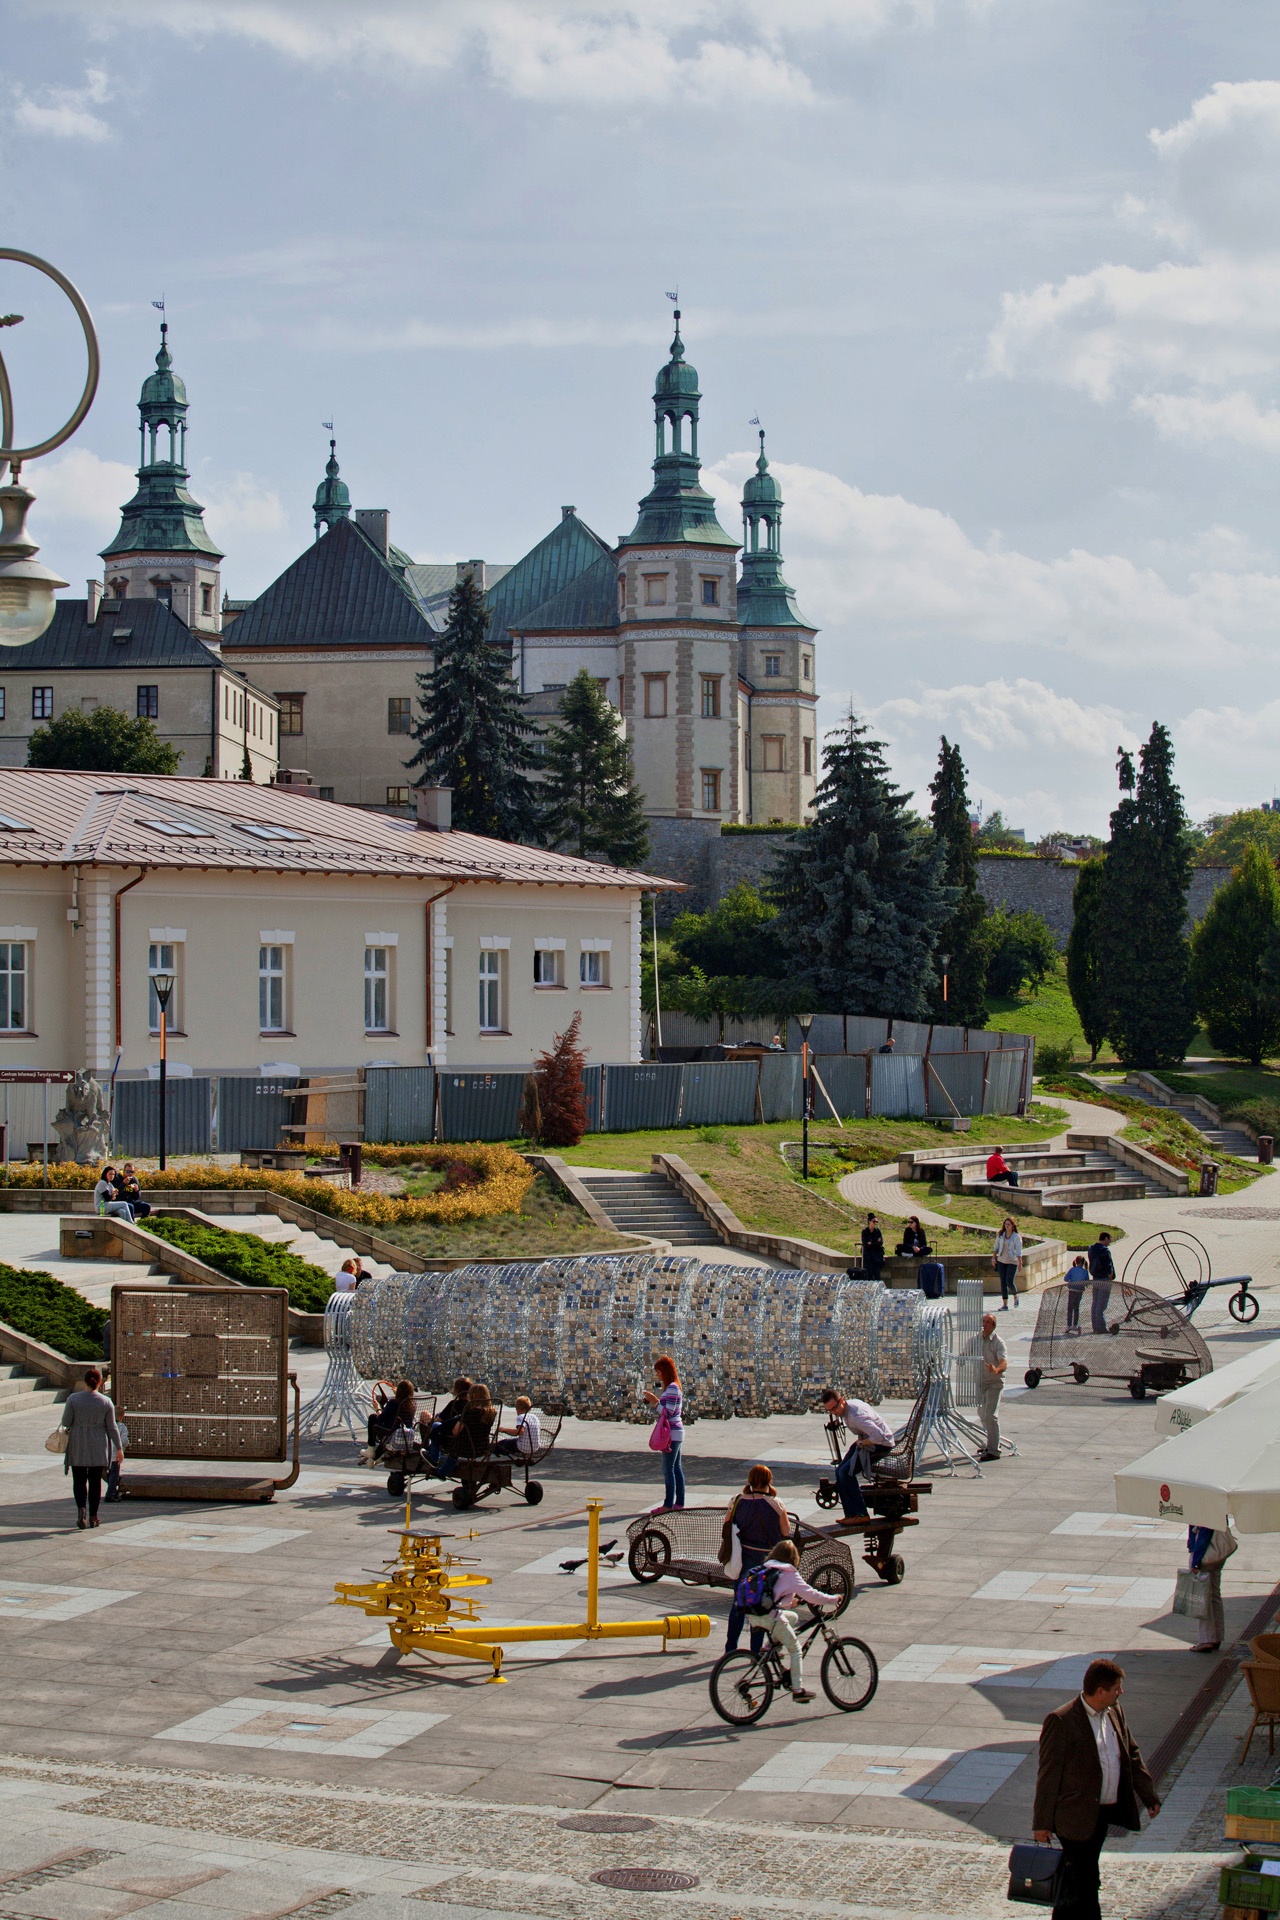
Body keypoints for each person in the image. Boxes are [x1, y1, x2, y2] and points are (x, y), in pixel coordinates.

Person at [1033, 1658, 1159, 1920]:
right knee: (1085, 1881)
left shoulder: (1115, 1711)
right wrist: (1042, 1823)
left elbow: (1130, 1754)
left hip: (1100, 1814)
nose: (1120, 1692)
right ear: (1100, 1691)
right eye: (1116, 1688)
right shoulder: (1062, 1721)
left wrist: (1148, 1796)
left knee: (1080, 1880)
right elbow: (1048, 1775)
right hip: (1074, 1817)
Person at [740, 1538, 840, 1703]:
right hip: (769, 1617)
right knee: (795, 1649)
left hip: (753, 1615)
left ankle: (769, 1648)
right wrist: (832, 1599)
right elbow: (811, 1595)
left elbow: (776, 1598)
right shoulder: (789, 1572)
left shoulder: (767, 1567)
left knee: (792, 1617)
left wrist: (792, 1603)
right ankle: (798, 1690)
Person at [722, 1465, 791, 1656]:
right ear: (769, 1481)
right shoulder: (776, 1504)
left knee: (739, 1604)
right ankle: (755, 1651)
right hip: (766, 1561)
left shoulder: (737, 1501)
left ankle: (730, 1648)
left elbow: (727, 1524)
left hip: (742, 1559)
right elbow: (785, 1532)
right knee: (759, 1607)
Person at [60, 1366, 123, 1529]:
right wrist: (119, 1447)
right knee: (95, 1482)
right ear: (100, 1382)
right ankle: (94, 1516)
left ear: (85, 1381)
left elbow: (66, 1421)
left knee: (79, 1480)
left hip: (78, 1444)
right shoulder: (105, 1402)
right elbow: (112, 1427)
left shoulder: (73, 1399)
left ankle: (81, 1508)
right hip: (98, 1444)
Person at [820, 1387, 895, 1519]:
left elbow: (878, 1436)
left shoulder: (856, 1417)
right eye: (830, 1411)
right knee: (839, 1471)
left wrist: (862, 1443)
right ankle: (850, 1514)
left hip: (880, 1445)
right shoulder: (848, 1407)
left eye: (834, 1408)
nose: (833, 1412)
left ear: (842, 1401)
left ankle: (860, 1513)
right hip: (867, 1440)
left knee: (846, 1473)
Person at [642, 1354, 684, 1513]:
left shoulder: (673, 1387)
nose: (658, 1375)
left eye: (659, 1372)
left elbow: (669, 1412)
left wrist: (656, 1402)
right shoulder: (673, 1387)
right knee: (676, 1468)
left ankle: (668, 1504)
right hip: (675, 1432)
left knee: (668, 1469)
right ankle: (679, 1502)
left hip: (672, 1433)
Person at [1186, 1523, 1236, 1652]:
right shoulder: (1216, 1504)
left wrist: (1196, 1560)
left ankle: (1206, 1639)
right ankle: (1217, 1635)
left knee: (1204, 1598)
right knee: (1214, 1595)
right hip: (1217, 1553)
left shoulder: (1201, 1506)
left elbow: (1204, 1531)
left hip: (1205, 1554)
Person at [978, 1312, 1007, 1461]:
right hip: (981, 1382)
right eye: (983, 1321)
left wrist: (996, 1369)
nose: (984, 1324)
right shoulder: (976, 1340)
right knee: (982, 1413)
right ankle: (991, 1441)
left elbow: (1003, 1362)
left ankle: (994, 1450)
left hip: (994, 1383)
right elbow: (965, 1353)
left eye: (988, 1322)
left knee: (991, 1415)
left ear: (993, 1326)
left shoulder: (998, 1342)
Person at [426, 1375, 471, 1468]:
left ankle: (434, 1458)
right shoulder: (471, 1406)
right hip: (468, 1438)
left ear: (456, 1390)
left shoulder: (453, 1404)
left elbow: (439, 1420)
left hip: (451, 1438)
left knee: (436, 1426)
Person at [1088, 1233, 1116, 1334]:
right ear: (1105, 1238)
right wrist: (1110, 1276)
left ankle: (1095, 1327)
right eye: (1109, 1239)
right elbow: (1108, 1266)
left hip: (1095, 1278)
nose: (1109, 1242)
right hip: (1104, 1280)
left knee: (1095, 1304)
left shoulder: (1091, 1249)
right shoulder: (1105, 1250)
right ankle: (1100, 1328)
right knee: (1101, 1305)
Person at [993, 1217, 1023, 1308]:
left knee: (1009, 1281)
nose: (1007, 1226)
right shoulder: (1001, 1235)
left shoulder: (1016, 1237)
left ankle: (1015, 1296)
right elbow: (996, 1247)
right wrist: (993, 1258)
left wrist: (1020, 1263)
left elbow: (1019, 1251)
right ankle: (1005, 1304)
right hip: (1002, 1260)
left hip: (1012, 1261)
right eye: (1005, 1224)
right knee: (1003, 1282)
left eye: (1009, 1224)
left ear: (1013, 1226)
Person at [1064, 1253, 1090, 1332]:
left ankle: (1068, 1325)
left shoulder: (1072, 1270)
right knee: (1076, 1308)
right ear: (1083, 1263)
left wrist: (1070, 1281)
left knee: (1070, 1308)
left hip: (1072, 1289)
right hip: (1079, 1290)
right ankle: (1075, 1324)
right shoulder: (1085, 1271)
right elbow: (1087, 1282)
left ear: (1076, 1262)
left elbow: (1065, 1278)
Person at [861, 1214, 885, 1281]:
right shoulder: (865, 1231)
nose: (875, 1223)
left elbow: (880, 1243)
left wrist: (871, 1243)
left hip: (876, 1256)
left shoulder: (877, 1231)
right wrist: (874, 1243)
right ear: (869, 1221)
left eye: (876, 1222)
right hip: (868, 1255)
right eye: (873, 1221)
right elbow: (865, 1243)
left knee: (877, 1274)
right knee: (869, 1274)